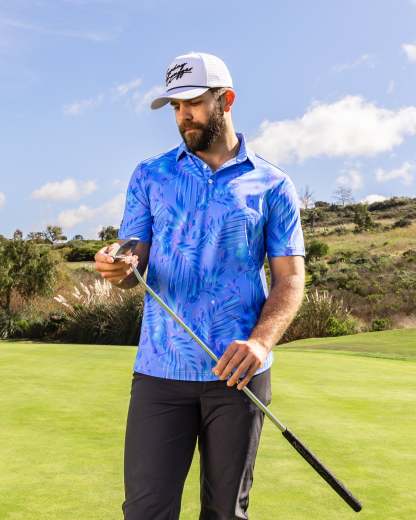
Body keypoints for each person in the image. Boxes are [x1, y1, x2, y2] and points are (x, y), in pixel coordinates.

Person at [94, 51, 306, 520]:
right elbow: (133, 255)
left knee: (225, 513)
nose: (182, 116)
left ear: (226, 100)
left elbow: (290, 279)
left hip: (239, 375)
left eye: (192, 103)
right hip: (160, 371)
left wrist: (260, 342)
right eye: (175, 106)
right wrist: (118, 265)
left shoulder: (273, 184)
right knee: (145, 511)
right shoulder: (150, 175)